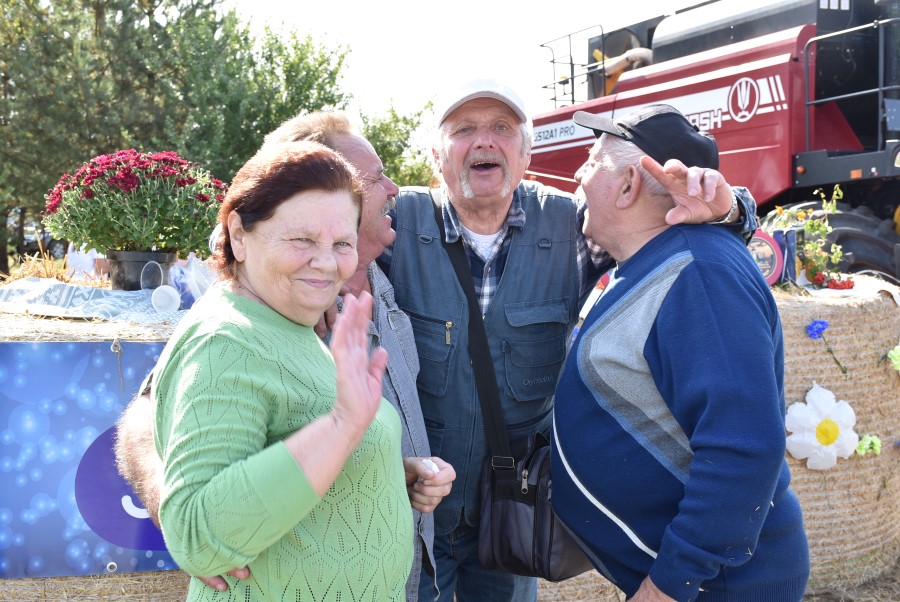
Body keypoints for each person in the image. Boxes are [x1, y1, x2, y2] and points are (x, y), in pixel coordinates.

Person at [376, 78, 760, 602]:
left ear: (526, 153)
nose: (484, 140)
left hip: (514, 507)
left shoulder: (573, 226)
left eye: (502, 127)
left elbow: (675, 218)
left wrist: (729, 207)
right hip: (412, 505)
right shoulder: (394, 226)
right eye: (464, 129)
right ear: (436, 155)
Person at [114, 112, 455, 601]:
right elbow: (197, 538)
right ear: (238, 235)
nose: (326, 261)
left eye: (341, 243)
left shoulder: (290, 316)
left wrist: (380, 466)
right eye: (302, 239)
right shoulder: (227, 339)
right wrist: (342, 427)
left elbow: (290, 440)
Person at [550, 104, 810, 601]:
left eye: (591, 161)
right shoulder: (659, 259)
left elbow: (743, 449)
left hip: (718, 587)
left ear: (628, 185)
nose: (578, 176)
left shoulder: (700, 276)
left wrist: (671, 583)